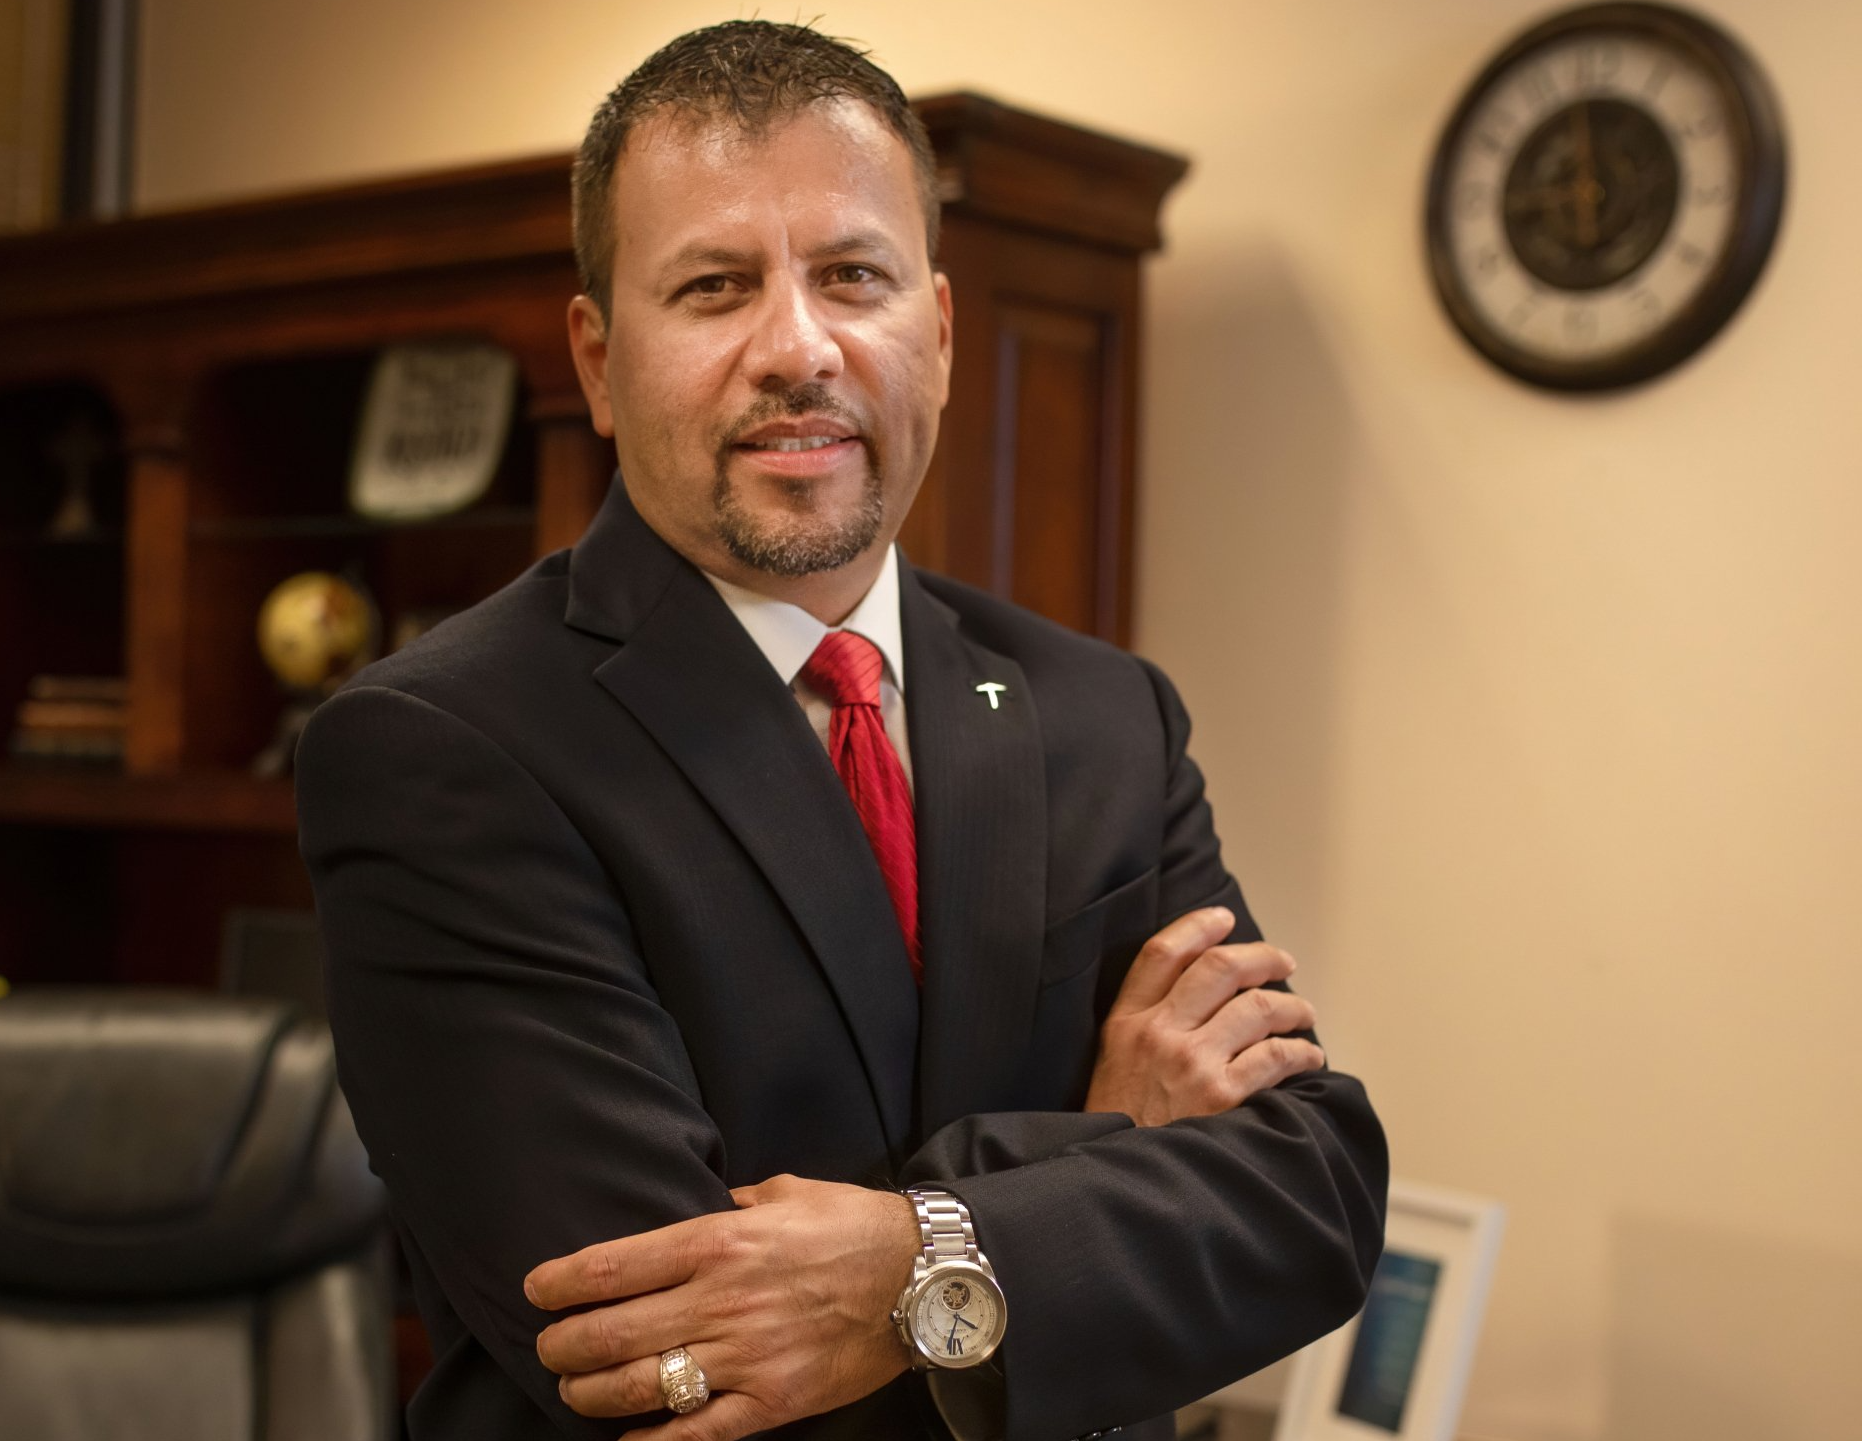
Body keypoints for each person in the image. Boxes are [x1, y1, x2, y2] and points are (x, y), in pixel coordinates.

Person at [295, 20, 1387, 1441]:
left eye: (853, 277)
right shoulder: (440, 746)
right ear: (600, 361)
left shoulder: (1103, 712)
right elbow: (654, 1363)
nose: (797, 349)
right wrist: (1106, 1149)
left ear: (934, 331)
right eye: (712, 287)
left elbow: (1311, 1199)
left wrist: (883, 1271)